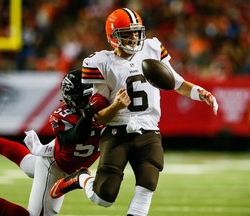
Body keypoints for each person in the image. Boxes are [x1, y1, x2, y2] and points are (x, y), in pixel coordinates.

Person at [50, 8, 219, 216]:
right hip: (116, 130)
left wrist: (199, 92)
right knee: (104, 197)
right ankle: (82, 178)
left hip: (148, 129)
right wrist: (117, 106)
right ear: (112, 36)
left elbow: (175, 82)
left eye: (136, 32)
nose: (133, 38)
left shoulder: (152, 48)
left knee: (147, 184)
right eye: (126, 33)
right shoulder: (99, 62)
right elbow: (97, 116)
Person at [0, 69, 109, 215]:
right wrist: (89, 111)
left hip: (66, 158)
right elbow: (76, 137)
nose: (91, 101)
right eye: (85, 99)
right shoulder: (62, 116)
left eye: (92, 96)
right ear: (72, 99)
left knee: (28, 164)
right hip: (56, 165)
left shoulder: (107, 107)